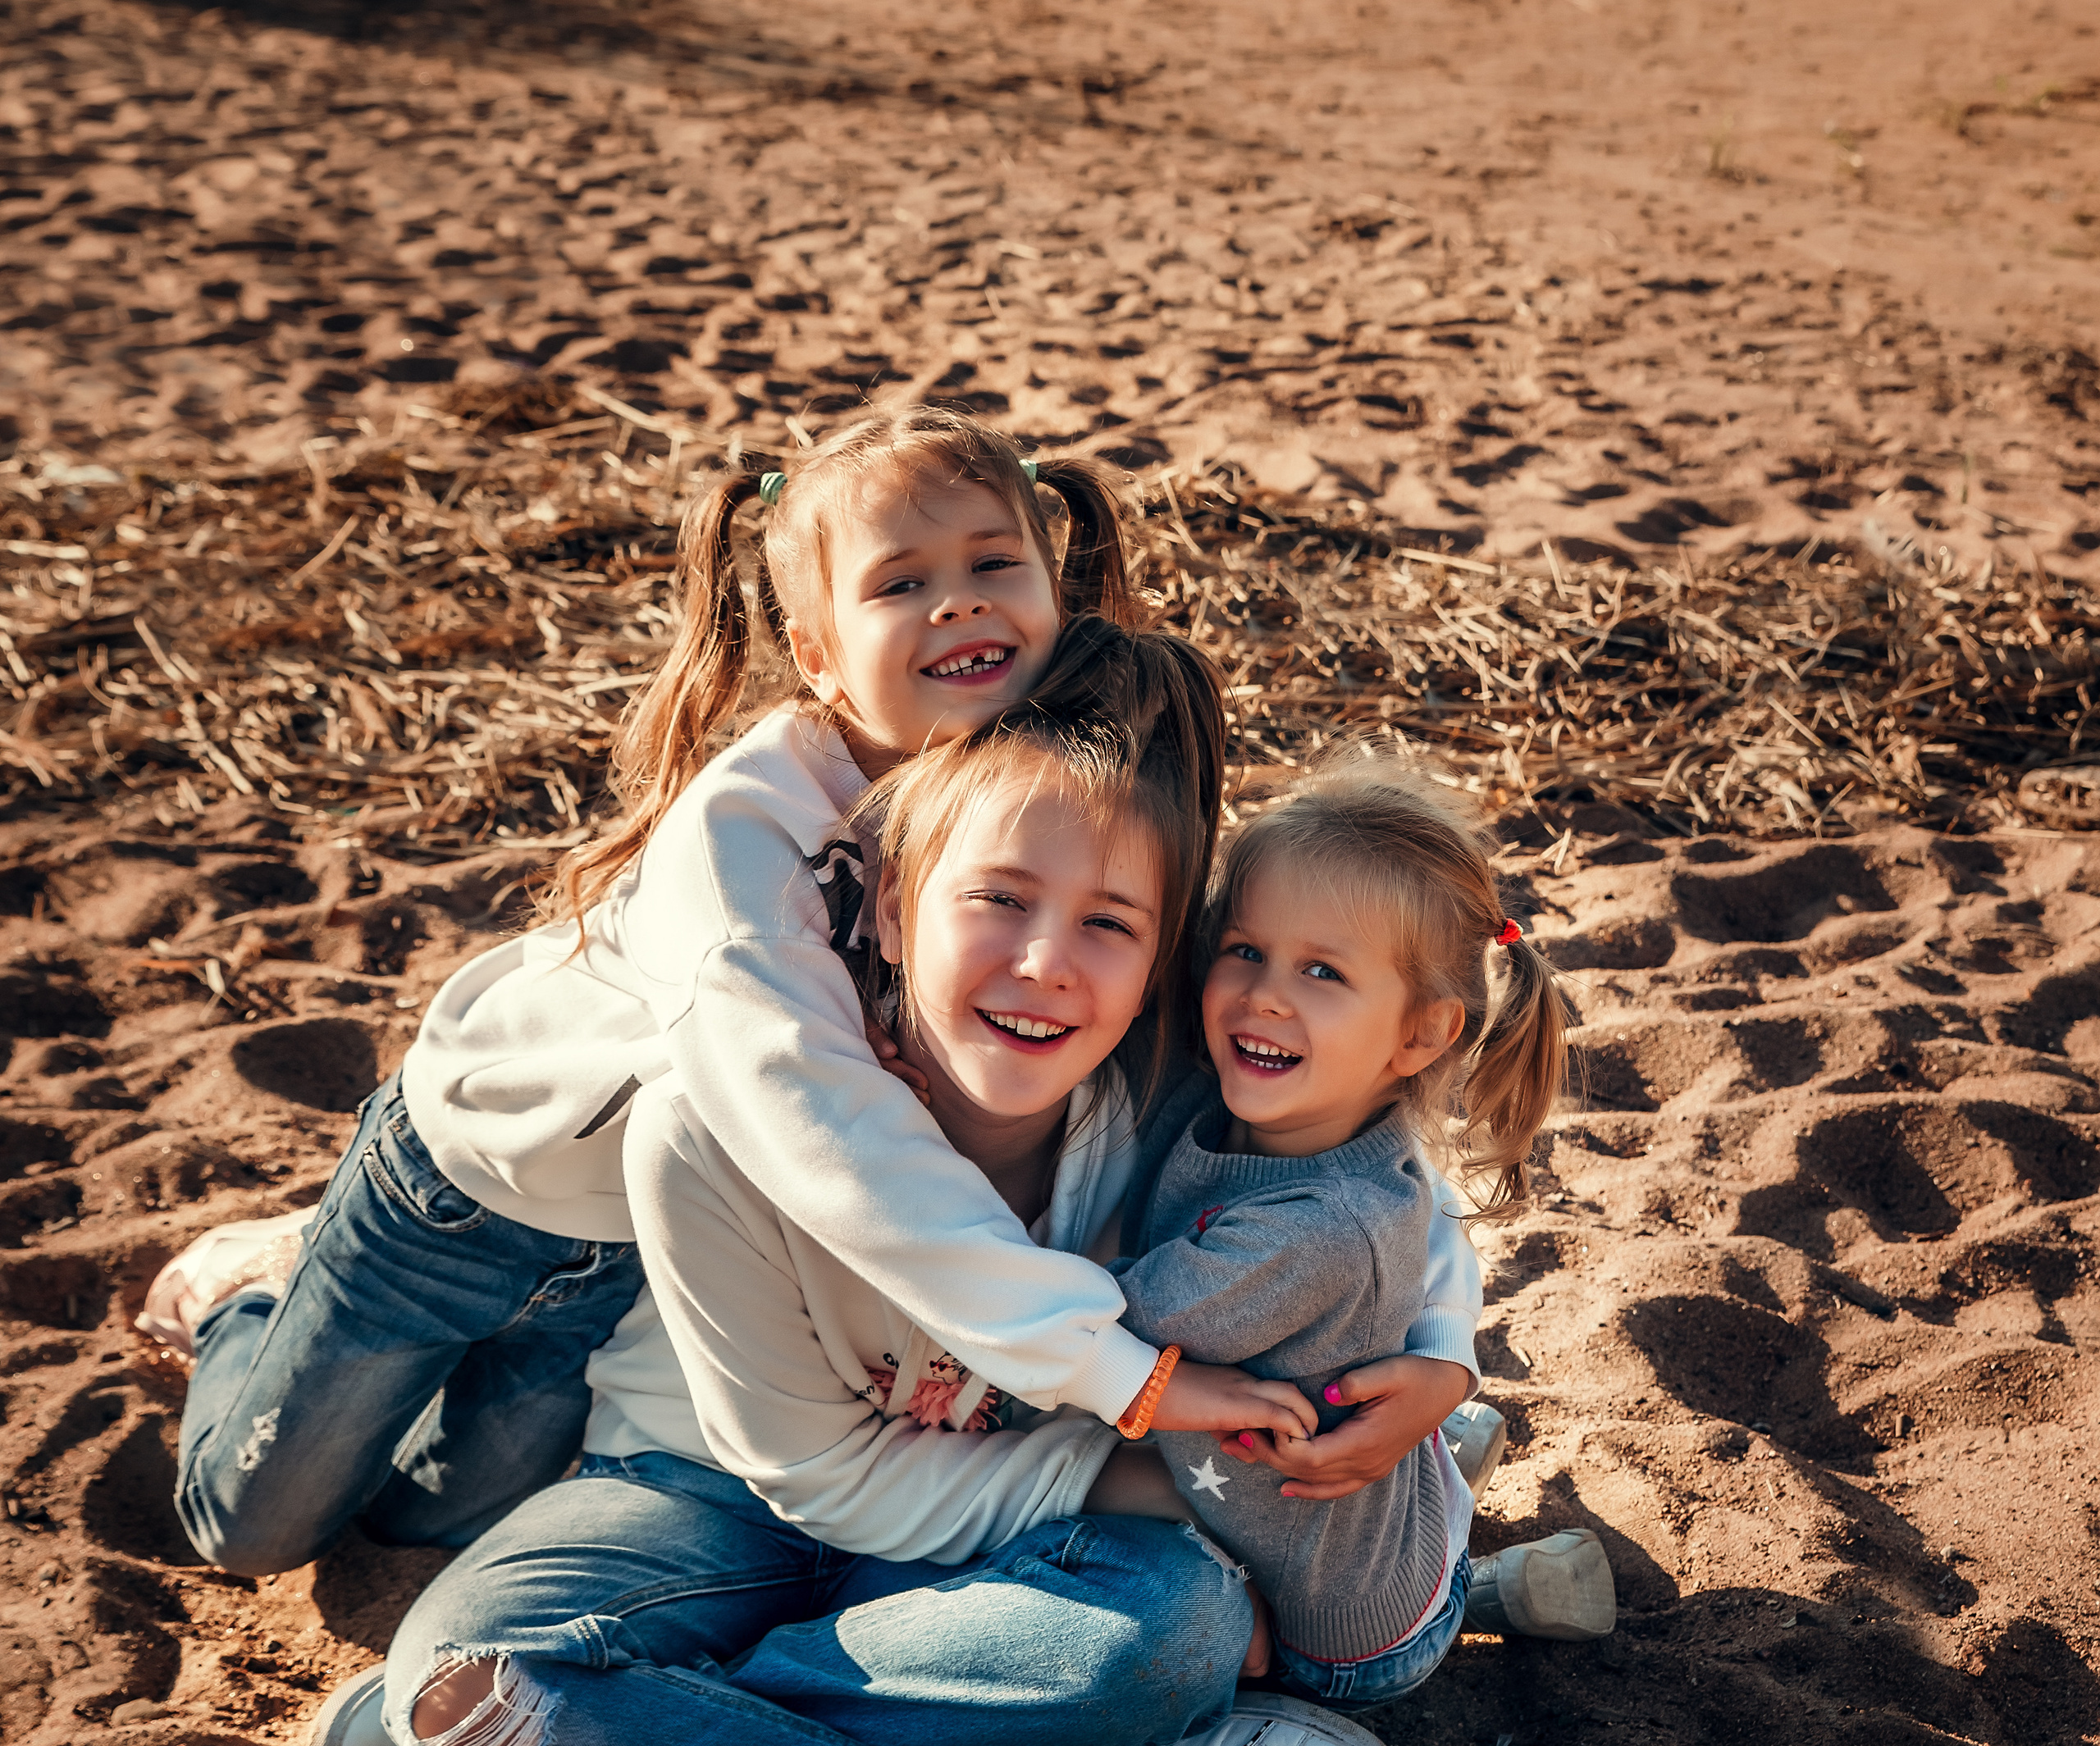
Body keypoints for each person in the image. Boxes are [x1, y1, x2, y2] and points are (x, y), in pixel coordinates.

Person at [151, 408, 1478, 1579]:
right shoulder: (744, 845)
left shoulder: (1057, 797)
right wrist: (1129, 1380)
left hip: (640, 1244)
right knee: (257, 1524)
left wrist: (1442, 1342)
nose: (959, 605)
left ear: (1059, 597)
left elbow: (1311, 1083)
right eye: (904, 582)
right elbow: (826, 1139)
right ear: (820, 652)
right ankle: (248, 1289)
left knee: (438, 1517)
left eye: (993, 567)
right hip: (475, 1188)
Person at [308, 636, 1421, 1746]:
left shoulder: (1166, 1089)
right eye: (997, 899)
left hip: (1012, 1546)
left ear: (1160, 959)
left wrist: (1443, 1360)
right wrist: (1125, 1486)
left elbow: (1362, 1181)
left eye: (1109, 924)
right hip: (705, 1496)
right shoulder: (721, 1122)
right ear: (893, 907)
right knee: (475, 1684)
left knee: (1175, 1635)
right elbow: (820, 1481)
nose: (1047, 962)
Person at [1098, 755, 1618, 1736]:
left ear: (1419, 1037)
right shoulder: (1297, 1118)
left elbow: (1093, 1323)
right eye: (1244, 950)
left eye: (1322, 972)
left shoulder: (1318, 1230)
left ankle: (1489, 1589)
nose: (1263, 996)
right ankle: (1450, 1500)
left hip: (1349, 1642)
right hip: (1342, 1515)